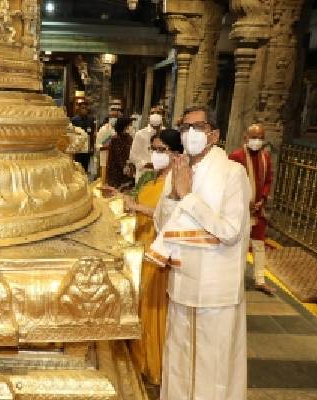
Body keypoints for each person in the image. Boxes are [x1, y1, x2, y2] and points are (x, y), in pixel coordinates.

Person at [148, 106, 250, 400]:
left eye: (198, 127)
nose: (190, 134)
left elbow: (230, 231)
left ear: (214, 135)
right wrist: (173, 195)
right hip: (182, 282)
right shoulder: (179, 169)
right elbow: (161, 223)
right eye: (184, 128)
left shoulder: (233, 173)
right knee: (179, 362)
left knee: (212, 366)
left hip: (215, 289)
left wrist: (188, 197)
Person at [125, 129, 184, 386]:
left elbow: (171, 216)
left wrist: (136, 207)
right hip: (142, 247)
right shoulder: (154, 177)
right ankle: (140, 360)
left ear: (175, 154)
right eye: (154, 149)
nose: (156, 154)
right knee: (141, 306)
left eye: (162, 150)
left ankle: (155, 364)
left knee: (154, 309)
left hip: (159, 251)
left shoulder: (176, 182)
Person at [229, 123, 275, 296]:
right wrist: (243, 200)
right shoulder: (236, 156)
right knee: (239, 245)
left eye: (261, 138)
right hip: (240, 209)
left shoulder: (265, 157)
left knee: (259, 244)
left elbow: (268, 180)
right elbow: (230, 183)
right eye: (254, 137)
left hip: (257, 209)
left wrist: (262, 198)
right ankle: (235, 278)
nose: (257, 141)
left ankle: (260, 280)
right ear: (245, 138)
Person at [129, 112, 164, 182]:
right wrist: (146, 164)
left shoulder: (164, 133)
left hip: (160, 174)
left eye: (158, 127)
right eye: (154, 127)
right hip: (144, 173)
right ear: (149, 124)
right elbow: (133, 156)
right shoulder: (140, 134)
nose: (156, 130)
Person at [105, 116, 135, 190]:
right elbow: (117, 156)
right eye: (129, 125)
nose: (131, 127)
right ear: (124, 126)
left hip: (127, 169)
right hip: (116, 171)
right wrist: (124, 167)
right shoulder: (115, 139)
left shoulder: (129, 138)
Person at [96, 107, 121, 181]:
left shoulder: (120, 129)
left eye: (116, 116)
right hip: (106, 158)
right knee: (104, 179)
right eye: (112, 116)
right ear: (109, 117)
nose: (114, 118)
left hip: (117, 161)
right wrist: (107, 146)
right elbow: (98, 145)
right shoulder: (104, 129)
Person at [71, 101, 95, 172]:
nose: (84, 109)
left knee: (86, 166)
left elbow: (92, 134)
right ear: (79, 109)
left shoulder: (91, 119)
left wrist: (92, 147)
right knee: (78, 165)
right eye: (82, 108)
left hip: (87, 146)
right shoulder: (74, 120)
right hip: (78, 147)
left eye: (85, 108)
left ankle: (85, 178)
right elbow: (72, 134)